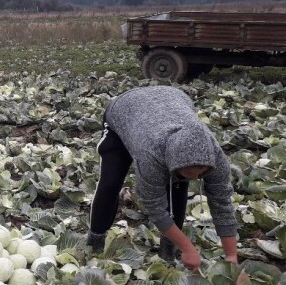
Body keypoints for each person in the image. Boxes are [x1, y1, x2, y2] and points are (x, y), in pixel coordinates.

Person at [86, 86, 239, 271]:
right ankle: (95, 241)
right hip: (126, 110)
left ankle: (168, 252)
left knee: (178, 187)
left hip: (173, 100)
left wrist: (231, 255)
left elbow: (222, 202)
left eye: (202, 172)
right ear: (173, 162)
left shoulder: (215, 157)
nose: (198, 178)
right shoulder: (150, 153)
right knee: (111, 182)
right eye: (191, 173)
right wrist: (188, 247)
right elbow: (154, 206)